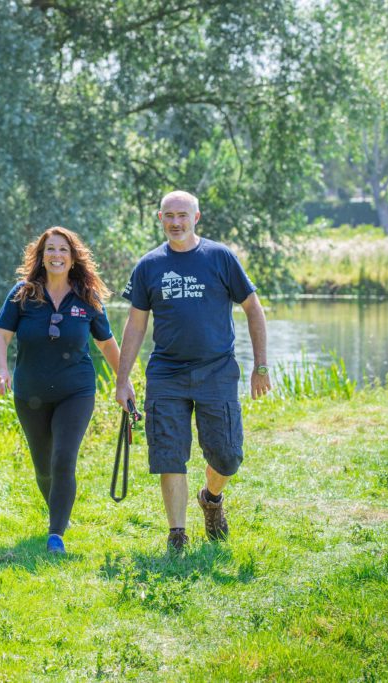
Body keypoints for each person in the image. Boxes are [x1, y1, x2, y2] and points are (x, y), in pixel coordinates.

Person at [116, 191, 271, 552]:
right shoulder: (149, 266)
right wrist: (123, 381)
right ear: (159, 218)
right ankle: (177, 535)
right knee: (169, 453)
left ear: (196, 217)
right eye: (169, 215)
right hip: (166, 375)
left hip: (216, 371)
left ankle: (211, 498)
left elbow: (253, 308)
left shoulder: (220, 257)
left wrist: (260, 365)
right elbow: (136, 325)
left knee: (227, 455)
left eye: (182, 215)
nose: (176, 222)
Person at [0, 227, 121, 554]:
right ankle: (58, 509)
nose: (57, 255)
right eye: (50, 249)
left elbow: (106, 344)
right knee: (43, 465)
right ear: (41, 255)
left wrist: (125, 381)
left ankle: (56, 535)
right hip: (29, 393)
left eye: (63, 250)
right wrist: (2, 369)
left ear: (73, 256)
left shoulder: (87, 298)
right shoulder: (23, 294)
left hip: (75, 391)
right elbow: (1, 335)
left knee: (64, 457)